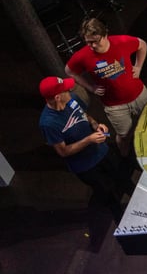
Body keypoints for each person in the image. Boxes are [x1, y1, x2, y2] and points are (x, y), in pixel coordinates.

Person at [38, 75, 133, 213]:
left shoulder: (72, 99)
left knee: (123, 177)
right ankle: (121, 218)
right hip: (86, 166)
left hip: (102, 151)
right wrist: (89, 140)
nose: (70, 90)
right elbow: (63, 151)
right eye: (65, 90)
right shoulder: (48, 123)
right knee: (108, 193)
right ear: (58, 97)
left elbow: (84, 114)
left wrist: (95, 125)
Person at [66, 17, 147, 160]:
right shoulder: (83, 56)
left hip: (139, 94)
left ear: (105, 35)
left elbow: (142, 44)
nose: (92, 46)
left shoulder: (121, 42)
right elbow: (69, 71)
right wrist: (90, 87)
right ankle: (126, 158)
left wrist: (138, 66)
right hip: (115, 106)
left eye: (95, 41)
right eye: (88, 42)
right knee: (124, 135)